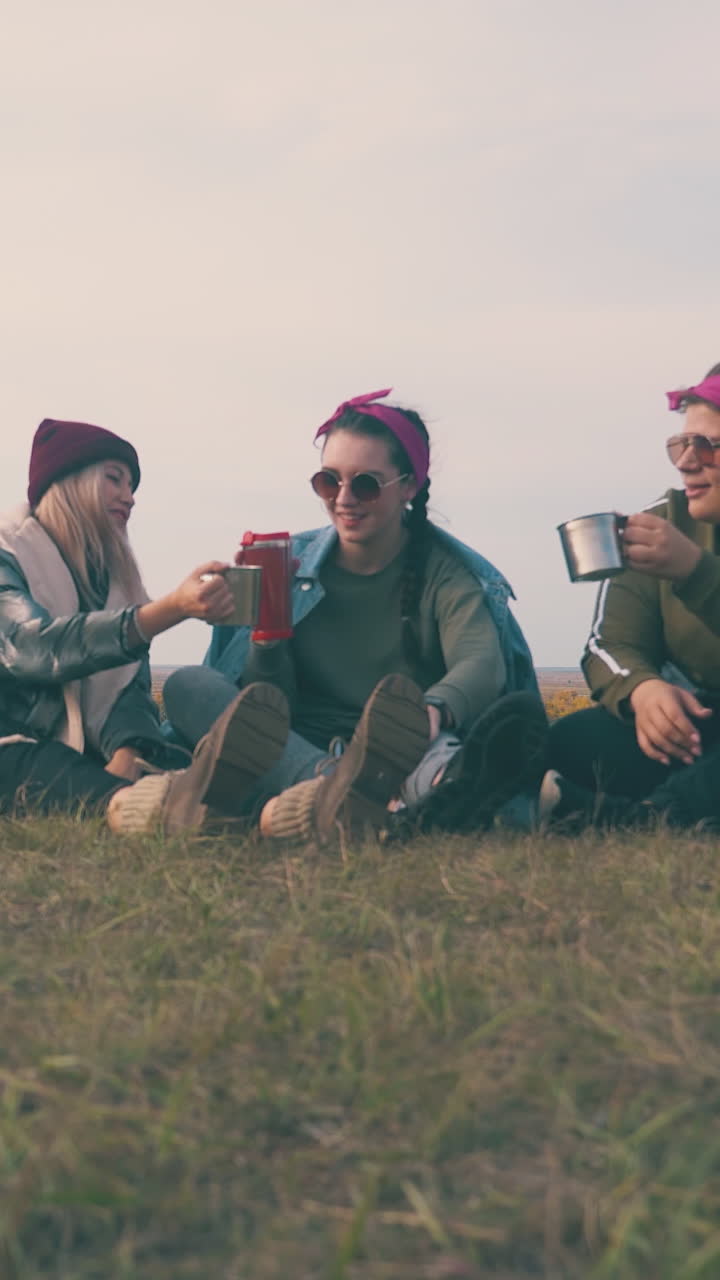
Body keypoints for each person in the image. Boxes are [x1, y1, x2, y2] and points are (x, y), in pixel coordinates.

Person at [163, 388, 546, 845]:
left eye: (364, 483)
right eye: (329, 481)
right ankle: (343, 793)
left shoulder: (448, 573)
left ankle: (377, 800)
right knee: (187, 685)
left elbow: (481, 662)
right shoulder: (292, 564)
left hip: (409, 752)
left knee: (483, 768)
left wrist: (431, 710)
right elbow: (266, 705)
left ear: (409, 486)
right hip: (301, 748)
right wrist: (269, 633)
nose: (344, 499)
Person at [0, 417, 293, 834]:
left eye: (132, 485)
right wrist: (170, 609)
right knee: (33, 764)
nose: (129, 497)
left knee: (169, 760)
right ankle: (141, 805)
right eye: (114, 480)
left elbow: (128, 691)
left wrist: (128, 751)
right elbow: (31, 649)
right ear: (70, 483)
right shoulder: (6, 554)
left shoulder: (116, 583)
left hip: (87, 750)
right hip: (15, 745)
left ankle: (286, 809)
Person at [492, 362, 720, 836]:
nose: (685, 462)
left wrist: (695, 572)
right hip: (698, 728)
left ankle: (646, 819)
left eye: (707, 446)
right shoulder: (666, 521)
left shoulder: (680, 551)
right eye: (680, 445)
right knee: (573, 742)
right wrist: (641, 689)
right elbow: (607, 644)